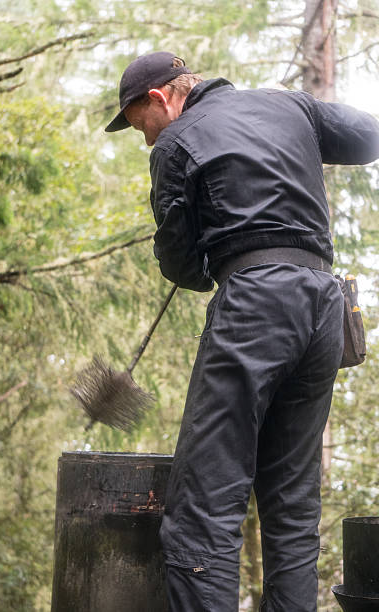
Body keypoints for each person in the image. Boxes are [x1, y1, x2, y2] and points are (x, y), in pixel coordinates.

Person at [105, 51, 379, 612]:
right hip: (324, 305)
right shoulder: (291, 107)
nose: (148, 141)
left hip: (256, 306)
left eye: (141, 128)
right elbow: (370, 137)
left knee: (202, 510)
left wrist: (207, 250)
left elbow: (182, 266)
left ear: (161, 99)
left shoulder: (178, 142)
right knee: (292, 505)